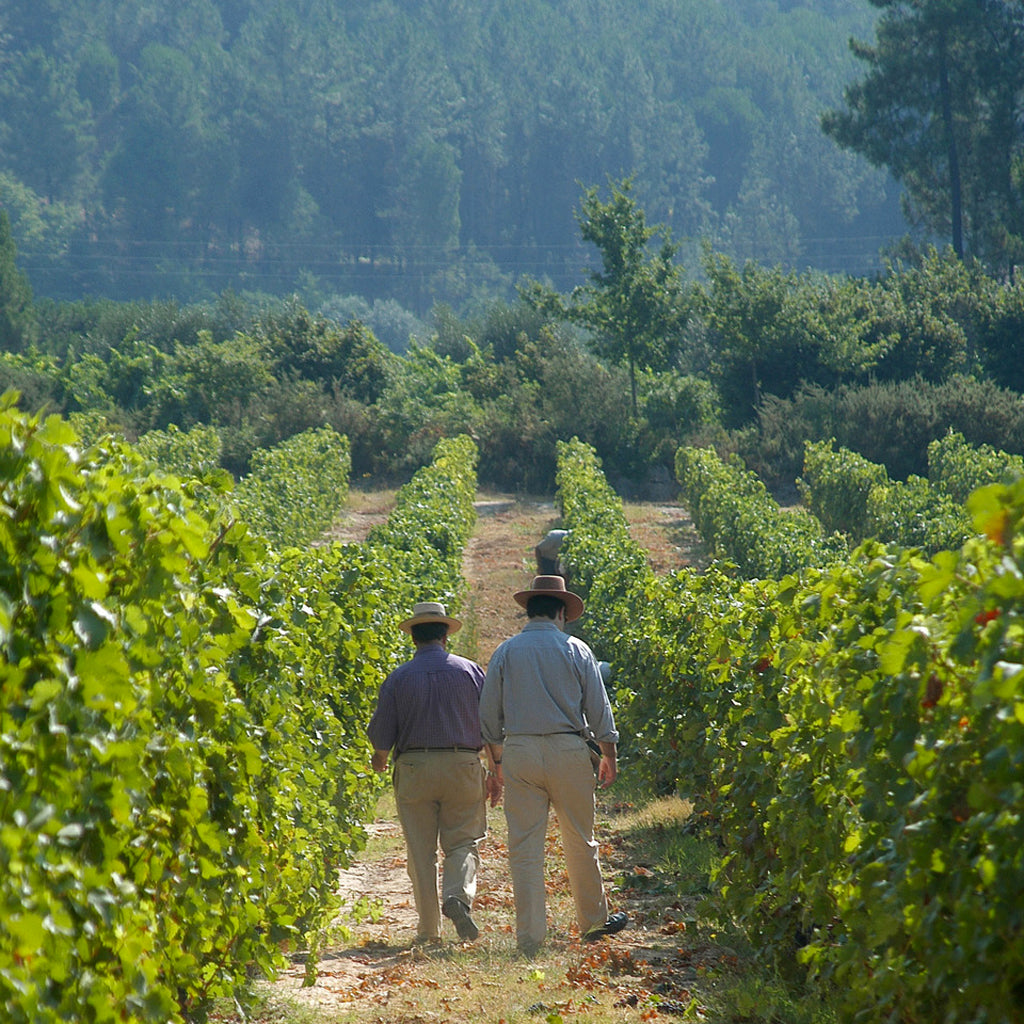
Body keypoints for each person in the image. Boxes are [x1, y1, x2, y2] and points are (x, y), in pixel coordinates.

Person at [479, 575, 628, 956]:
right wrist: (608, 753)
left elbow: (487, 716)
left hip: (521, 750)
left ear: (529, 610)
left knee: (525, 846)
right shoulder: (576, 649)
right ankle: (593, 922)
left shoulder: (506, 651)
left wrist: (497, 761)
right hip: (568, 750)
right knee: (580, 838)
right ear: (561, 612)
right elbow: (598, 706)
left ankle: (530, 938)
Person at [368, 601, 502, 944]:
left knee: (420, 851)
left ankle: (429, 931)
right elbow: (490, 726)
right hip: (462, 764)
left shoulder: (398, 678)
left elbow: (382, 737)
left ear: (413, 637)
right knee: (464, 841)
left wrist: (380, 759)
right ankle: (457, 895)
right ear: (446, 636)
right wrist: (495, 767)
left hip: (415, 767)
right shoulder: (471, 672)